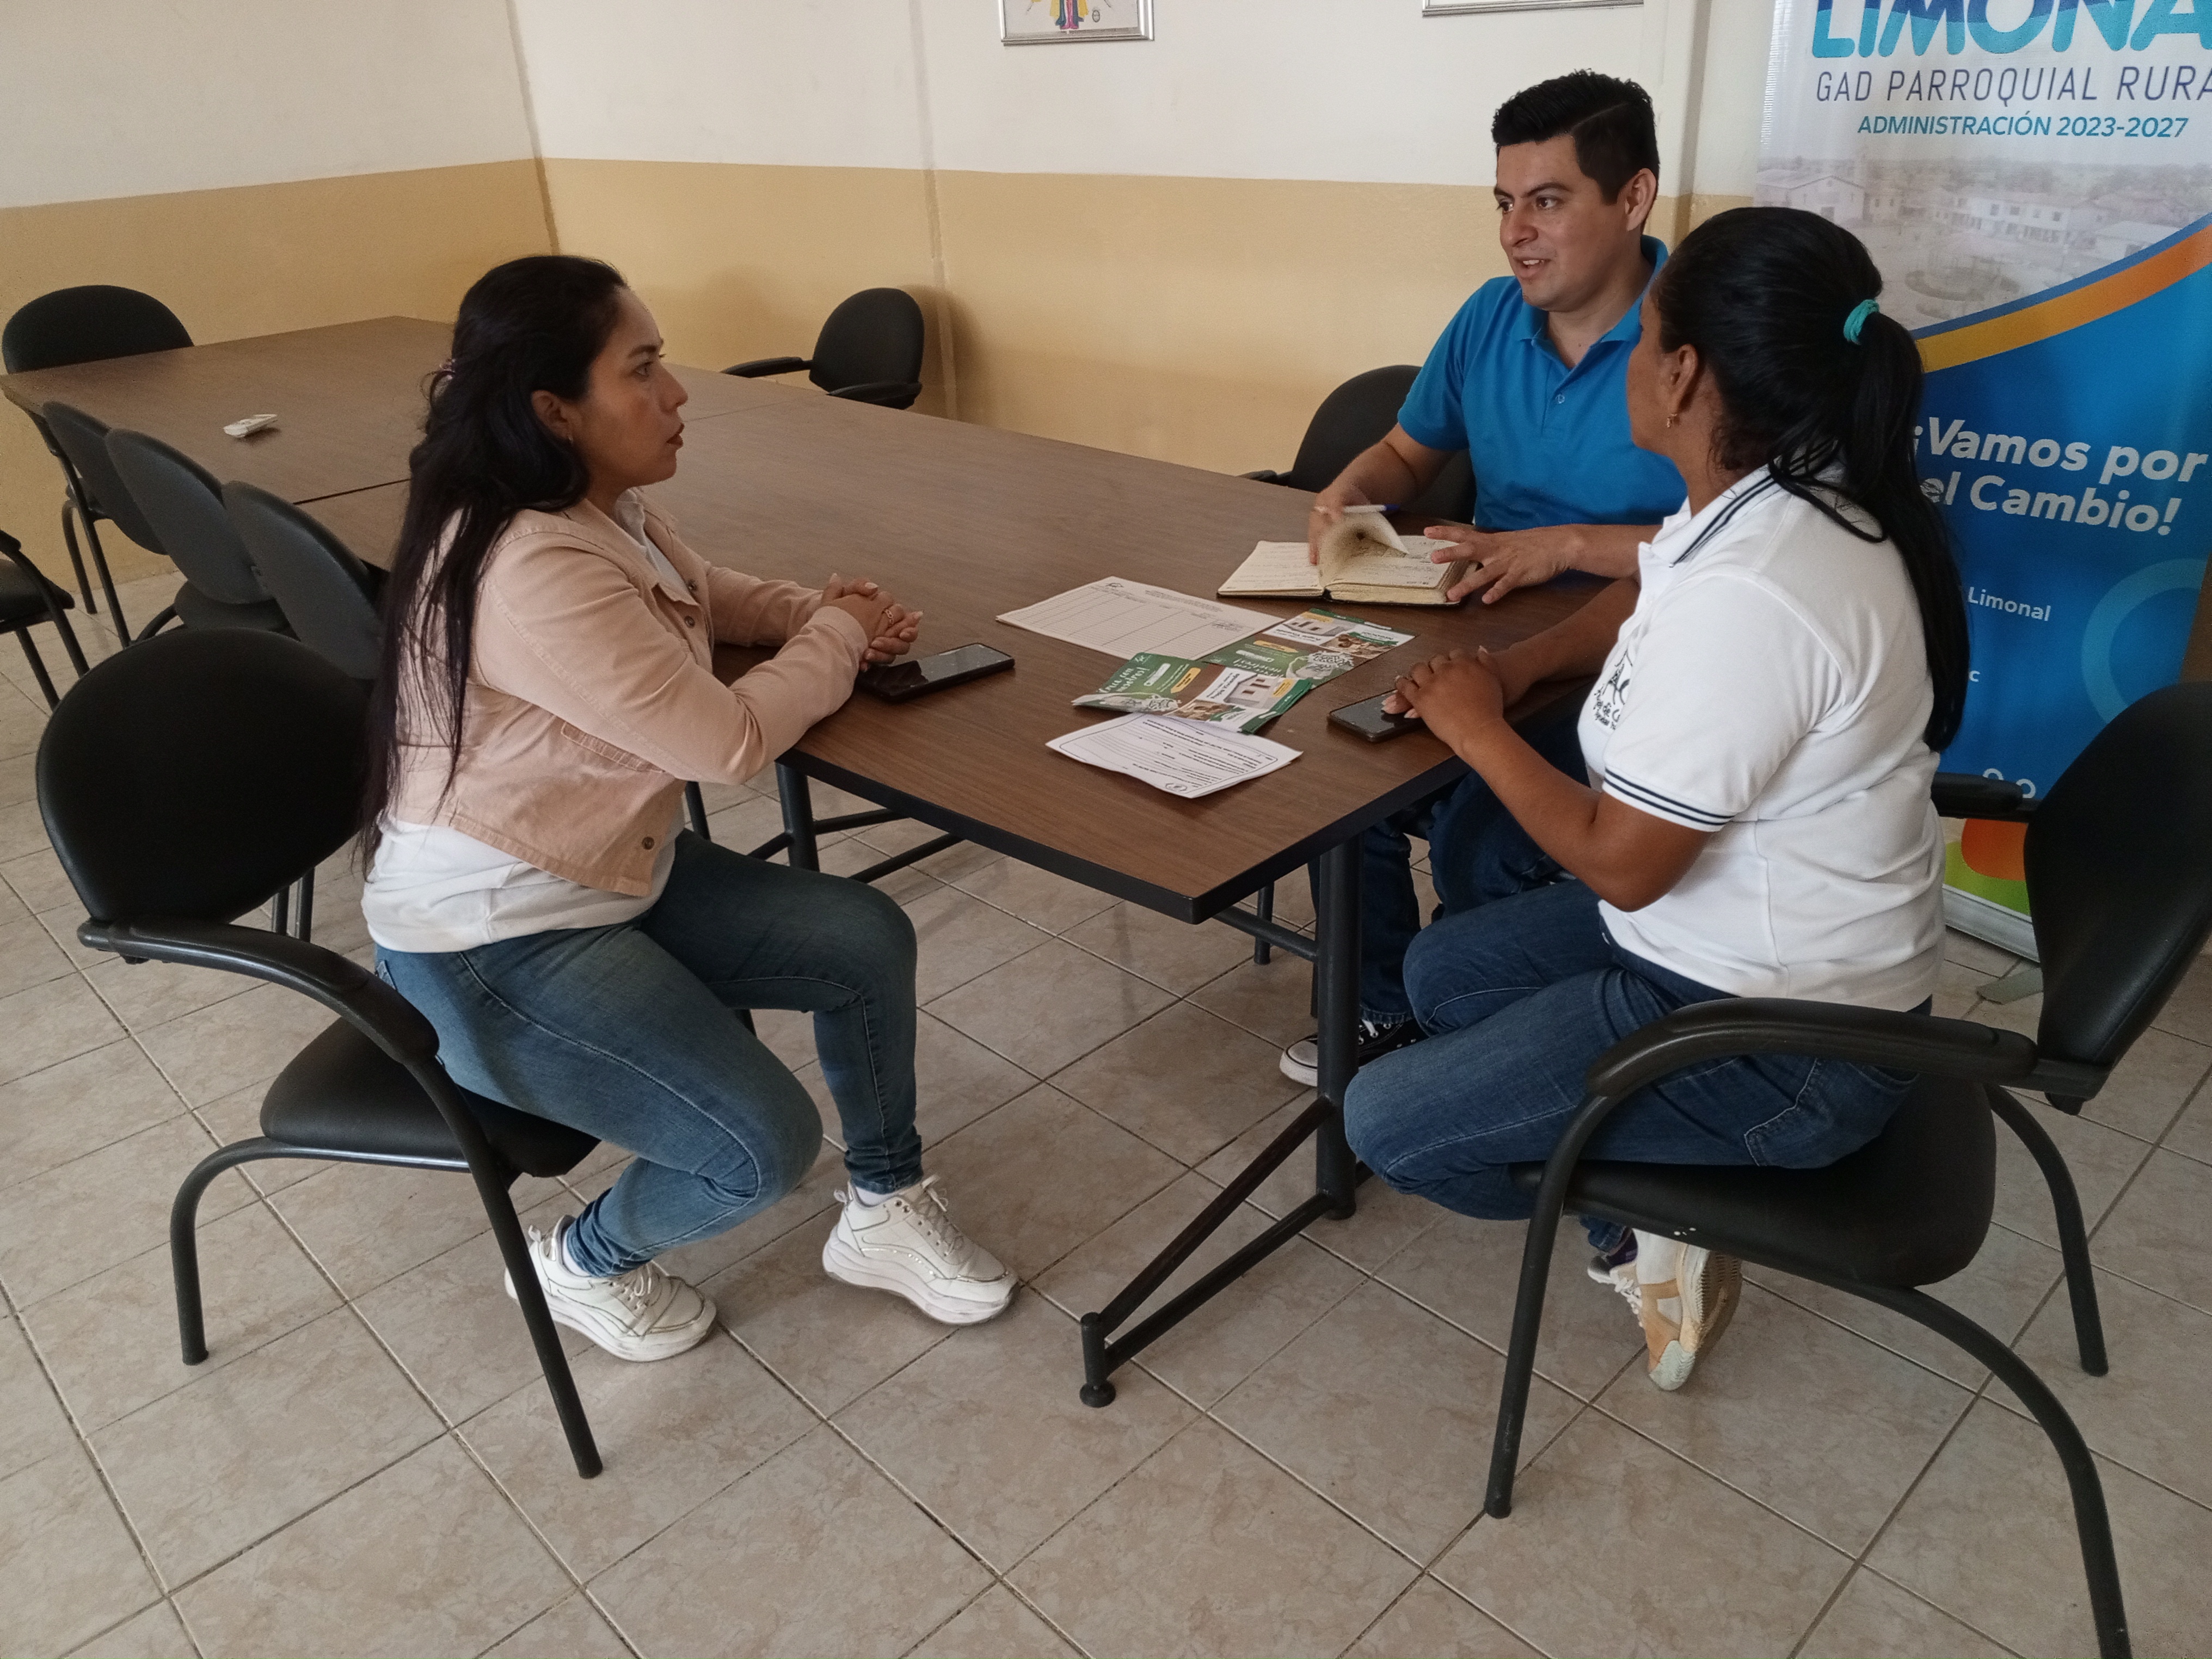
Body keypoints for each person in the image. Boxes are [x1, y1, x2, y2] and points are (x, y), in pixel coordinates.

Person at [1341, 206, 1970, 1390]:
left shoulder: (1763, 591)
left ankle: (1653, 1217)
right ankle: (1622, 1156)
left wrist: (1477, 730)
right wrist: (1515, 671)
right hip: (1741, 948)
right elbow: (1648, 589)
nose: (1627, 362)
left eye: (1641, 343)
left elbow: (1624, 865)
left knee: (1387, 1125)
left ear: (1682, 375)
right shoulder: (1780, 492)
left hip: (1791, 1045)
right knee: (1443, 975)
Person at [361, 255, 1014, 1363]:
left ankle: (885, 1205)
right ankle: (579, 1262)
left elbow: (705, 597)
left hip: (610, 867)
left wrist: (814, 613)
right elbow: (727, 744)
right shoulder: (531, 562)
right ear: (555, 410)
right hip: (495, 936)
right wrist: (839, 635)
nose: (675, 395)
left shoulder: (593, 507)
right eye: (643, 370)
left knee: (861, 938)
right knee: (759, 1148)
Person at [1280, 71, 1686, 1086]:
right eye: (1504, 203)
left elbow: (1738, 538)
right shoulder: (1489, 318)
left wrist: (1565, 545)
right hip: (1481, 621)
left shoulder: (1696, 334)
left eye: (1547, 201)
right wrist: (1348, 494)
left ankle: (1483, 1032)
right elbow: (1403, 455)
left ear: (1633, 198)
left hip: (1634, 651)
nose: (1515, 234)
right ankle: (1382, 1009)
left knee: (1481, 838)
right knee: (1344, 762)